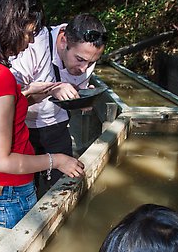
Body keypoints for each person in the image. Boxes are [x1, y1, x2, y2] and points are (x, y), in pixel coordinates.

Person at [0, 0, 85, 239]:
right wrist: (57, 160)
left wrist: (28, 96)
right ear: (9, 26)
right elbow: (1, 159)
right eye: (27, 33)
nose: (29, 42)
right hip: (10, 192)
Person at [9, 13, 107, 196]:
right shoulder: (34, 46)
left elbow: (77, 86)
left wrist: (82, 98)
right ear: (63, 40)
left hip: (57, 125)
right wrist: (51, 88)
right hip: (24, 128)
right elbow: (9, 96)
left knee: (60, 188)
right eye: (80, 60)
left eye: (92, 62)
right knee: (25, 190)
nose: (85, 68)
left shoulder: (86, 53)